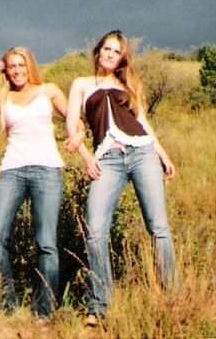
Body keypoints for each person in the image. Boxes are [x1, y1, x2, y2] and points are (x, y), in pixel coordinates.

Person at [65, 30, 176, 325]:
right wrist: (85, 156)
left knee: (158, 227)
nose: (110, 54)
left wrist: (163, 156)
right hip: (107, 160)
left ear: (122, 58)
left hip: (142, 153)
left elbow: (142, 122)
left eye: (116, 51)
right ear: (98, 51)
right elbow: (72, 124)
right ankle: (99, 305)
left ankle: (171, 296)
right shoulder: (82, 84)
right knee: (95, 230)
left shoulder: (128, 85)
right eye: (107, 48)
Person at [0, 46, 68, 318]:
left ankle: (44, 310)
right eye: (12, 66)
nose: (17, 70)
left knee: (46, 242)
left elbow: (74, 119)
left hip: (47, 170)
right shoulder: (3, 96)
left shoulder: (49, 90)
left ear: (30, 66)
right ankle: (7, 304)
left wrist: (77, 136)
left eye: (21, 64)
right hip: (12, 170)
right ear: (5, 70)